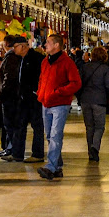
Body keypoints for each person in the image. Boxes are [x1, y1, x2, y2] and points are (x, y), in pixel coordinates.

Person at [37, 34, 82, 180]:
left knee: (56, 135)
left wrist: (59, 92)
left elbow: (76, 83)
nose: (45, 45)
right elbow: (42, 79)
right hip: (46, 102)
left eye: (48, 42)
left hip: (60, 104)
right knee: (49, 135)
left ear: (57, 45)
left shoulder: (67, 62)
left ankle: (50, 166)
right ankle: (57, 167)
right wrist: (40, 93)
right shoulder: (45, 62)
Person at [79, 46, 109, 162]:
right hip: (99, 101)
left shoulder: (85, 67)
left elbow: (78, 83)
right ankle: (95, 147)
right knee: (99, 127)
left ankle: (90, 152)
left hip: (85, 100)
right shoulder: (105, 69)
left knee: (89, 127)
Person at [0, 36, 24, 162]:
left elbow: (9, 77)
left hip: (9, 98)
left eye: (1, 47)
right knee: (9, 125)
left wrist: (2, 93)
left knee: (10, 124)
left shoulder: (11, 58)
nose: (0, 50)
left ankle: (13, 149)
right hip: (11, 97)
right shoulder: (13, 57)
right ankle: (9, 147)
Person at [18, 36, 46, 162]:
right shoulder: (22, 59)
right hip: (24, 98)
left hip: (34, 98)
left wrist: (36, 92)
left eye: (15, 47)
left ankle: (38, 153)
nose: (13, 49)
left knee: (37, 125)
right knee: (21, 124)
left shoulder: (36, 58)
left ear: (23, 46)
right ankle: (17, 153)